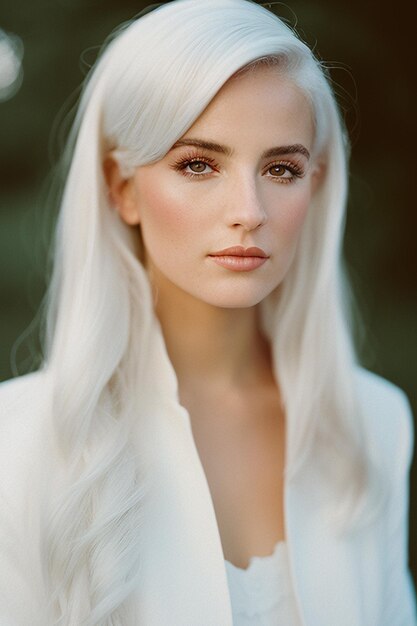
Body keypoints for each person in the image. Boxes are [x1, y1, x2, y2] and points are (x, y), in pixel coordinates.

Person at [0, 0, 415, 624]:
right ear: (122, 188)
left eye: (281, 168)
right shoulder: (20, 444)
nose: (249, 209)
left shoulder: (373, 426)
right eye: (199, 164)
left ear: (316, 183)